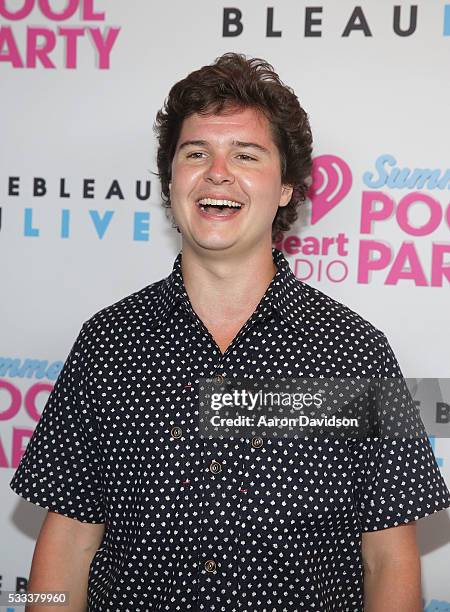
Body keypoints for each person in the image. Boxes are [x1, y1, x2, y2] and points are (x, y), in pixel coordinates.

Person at [10, 53, 450, 612]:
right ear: (171, 180)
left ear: (287, 187)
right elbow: (67, 548)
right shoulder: (107, 344)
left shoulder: (355, 350)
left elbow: (389, 560)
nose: (217, 172)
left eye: (246, 154)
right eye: (196, 153)